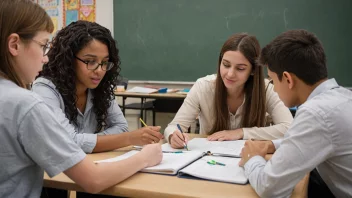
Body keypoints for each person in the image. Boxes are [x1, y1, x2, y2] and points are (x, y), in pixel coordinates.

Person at [0, 0, 162, 197]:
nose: (45, 58)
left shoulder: (97, 89)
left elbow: (117, 127)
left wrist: (85, 142)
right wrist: (144, 157)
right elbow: (93, 179)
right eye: (43, 46)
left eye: (104, 63)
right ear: (14, 44)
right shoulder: (27, 104)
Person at [239, 29, 352, 198]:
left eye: (272, 80)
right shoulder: (341, 96)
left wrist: (252, 157)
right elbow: (312, 138)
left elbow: (269, 188)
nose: (274, 88)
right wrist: (272, 145)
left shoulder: (315, 113)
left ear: (288, 79)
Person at [32, 20, 163, 154]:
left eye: (104, 62)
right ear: (68, 59)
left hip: (89, 165)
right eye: (90, 61)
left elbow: (121, 127)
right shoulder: (45, 89)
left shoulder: (100, 88)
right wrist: (129, 138)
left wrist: (85, 141)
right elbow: (67, 142)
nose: (100, 70)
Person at [164, 33, 293, 148]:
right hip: (208, 161)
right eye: (226, 65)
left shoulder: (266, 90)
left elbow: (289, 128)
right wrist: (173, 136)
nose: (230, 74)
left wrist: (241, 132)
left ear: (253, 70)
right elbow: (173, 126)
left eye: (240, 68)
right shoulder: (203, 87)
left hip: (249, 159)